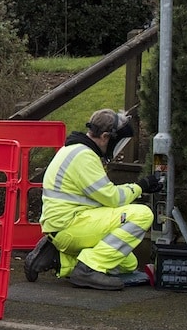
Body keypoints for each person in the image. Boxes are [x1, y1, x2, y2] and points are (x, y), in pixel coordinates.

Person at [25, 109, 163, 290]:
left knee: (126, 263)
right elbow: (112, 198)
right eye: (118, 143)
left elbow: (103, 196)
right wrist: (141, 186)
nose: (117, 148)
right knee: (142, 214)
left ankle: (60, 259)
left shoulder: (74, 150)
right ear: (105, 137)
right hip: (70, 225)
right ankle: (88, 270)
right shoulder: (84, 157)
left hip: (67, 224)